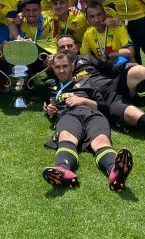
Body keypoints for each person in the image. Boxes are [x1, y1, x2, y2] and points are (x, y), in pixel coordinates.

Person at [42, 52, 133, 192]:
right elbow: (49, 105)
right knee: (66, 137)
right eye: (58, 67)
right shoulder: (50, 85)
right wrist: (49, 109)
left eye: (65, 66)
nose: (61, 70)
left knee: (101, 141)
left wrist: (84, 101)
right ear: (53, 68)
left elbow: (105, 107)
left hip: (93, 114)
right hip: (69, 114)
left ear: (72, 66)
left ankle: (115, 172)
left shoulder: (87, 81)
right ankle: (62, 170)